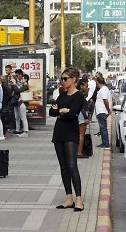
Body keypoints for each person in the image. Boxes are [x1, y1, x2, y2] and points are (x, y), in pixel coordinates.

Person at [49, 67, 85, 212]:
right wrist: (61, 111)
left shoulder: (78, 96)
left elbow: (73, 115)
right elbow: (52, 111)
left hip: (71, 133)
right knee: (63, 167)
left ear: (74, 79)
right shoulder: (62, 95)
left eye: (65, 79)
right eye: (62, 79)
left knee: (72, 165)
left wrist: (62, 112)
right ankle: (68, 198)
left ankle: (79, 199)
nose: (63, 81)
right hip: (59, 133)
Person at [9, 69, 29, 137]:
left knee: (23, 117)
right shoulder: (21, 85)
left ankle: (25, 131)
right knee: (17, 117)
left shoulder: (26, 86)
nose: (21, 79)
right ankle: (17, 130)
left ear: (25, 80)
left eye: (23, 78)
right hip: (18, 103)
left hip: (22, 103)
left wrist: (14, 84)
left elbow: (17, 90)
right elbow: (15, 90)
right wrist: (13, 84)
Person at [95, 76, 112, 149]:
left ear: (98, 82)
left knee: (103, 128)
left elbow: (105, 100)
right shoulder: (102, 89)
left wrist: (108, 110)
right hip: (101, 111)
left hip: (102, 111)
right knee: (102, 128)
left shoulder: (104, 89)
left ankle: (106, 144)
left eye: (96, 82)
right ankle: (104, 142)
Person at [76, 79, 90, 158]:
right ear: (81, 86)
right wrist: (86, 117)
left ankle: (77, 151)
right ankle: (79, 153)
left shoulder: (78, 94)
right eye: (86, 86)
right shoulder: (80, 95)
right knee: (81, 135)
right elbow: (82, 108)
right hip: (82, 116)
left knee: (79, 134)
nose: (87, 88)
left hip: (79, 115)